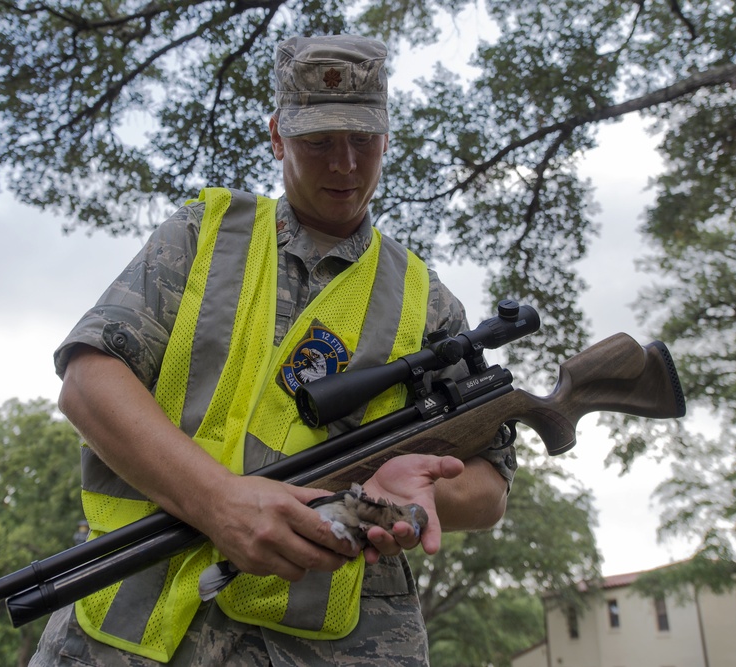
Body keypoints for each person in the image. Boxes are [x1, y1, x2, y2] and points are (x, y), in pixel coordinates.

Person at [30, 34, 517, 667]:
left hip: (344, 640)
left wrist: (385, 496)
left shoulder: (429, 303)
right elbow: (88, 381)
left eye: (362, 139)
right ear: (277, 136)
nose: (344, 164)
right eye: (318, 141)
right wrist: (219, 501)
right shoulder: (202, 234)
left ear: (387, 137)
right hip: (134, 617)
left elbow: (490, 487)